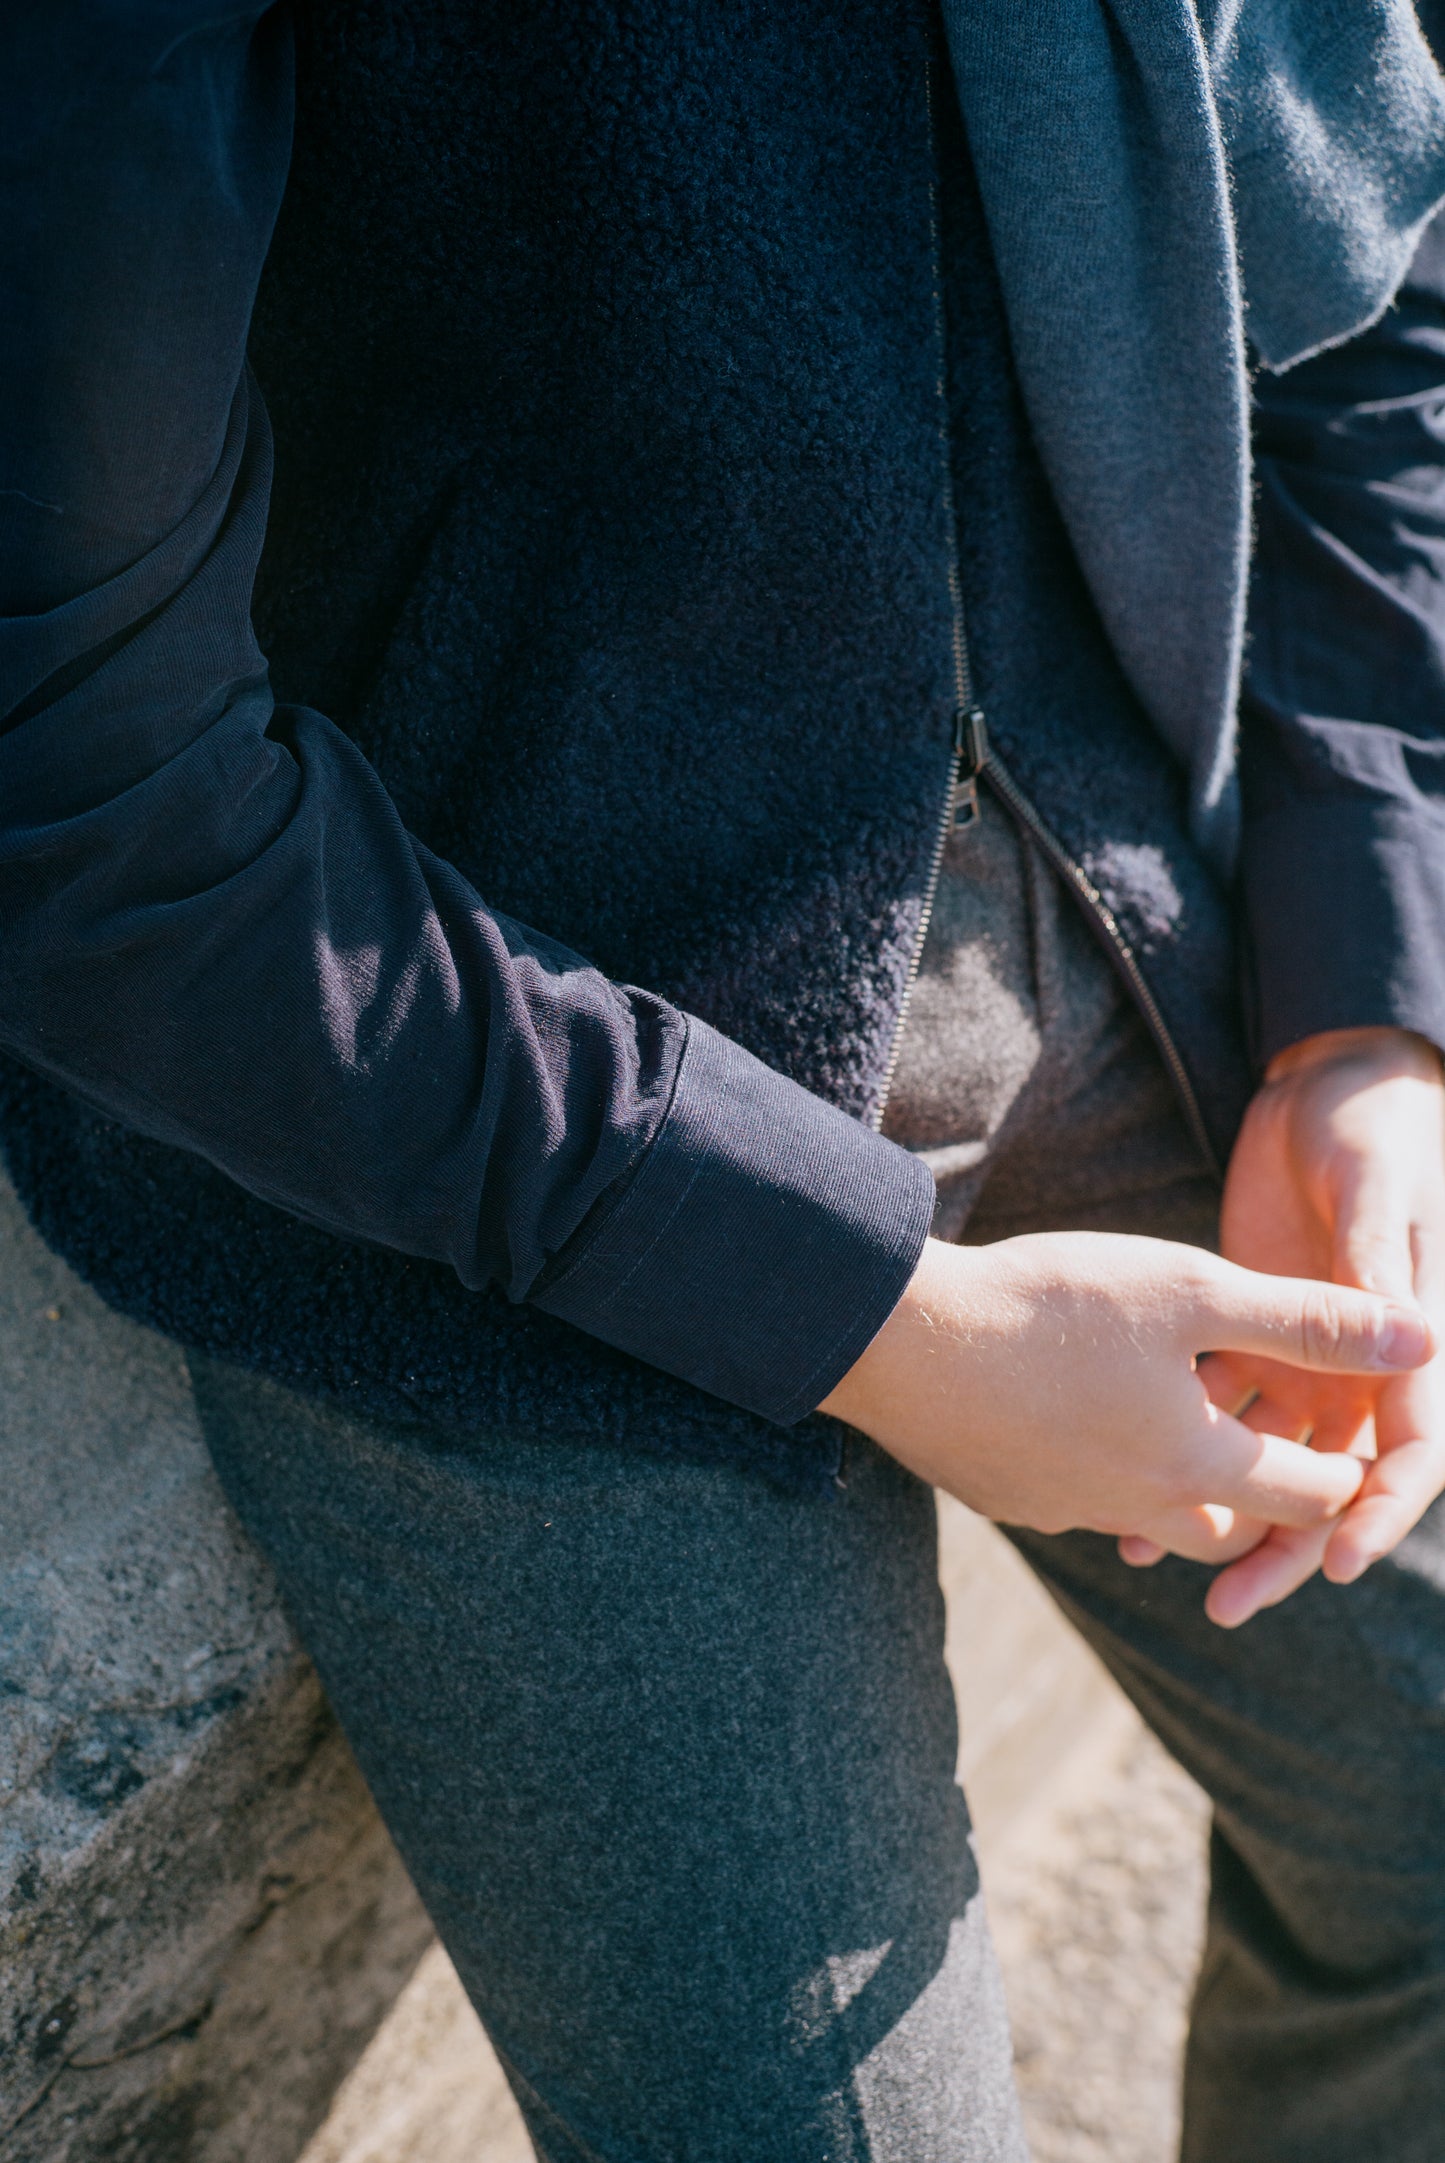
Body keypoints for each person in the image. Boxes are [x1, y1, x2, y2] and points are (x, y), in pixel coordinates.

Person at [6, 2, 1445, 2155]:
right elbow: (89, 800)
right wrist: (867, 1311)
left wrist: (1372, 994)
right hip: (467, 1131)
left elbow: (1378, 279)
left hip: (1123, 894)